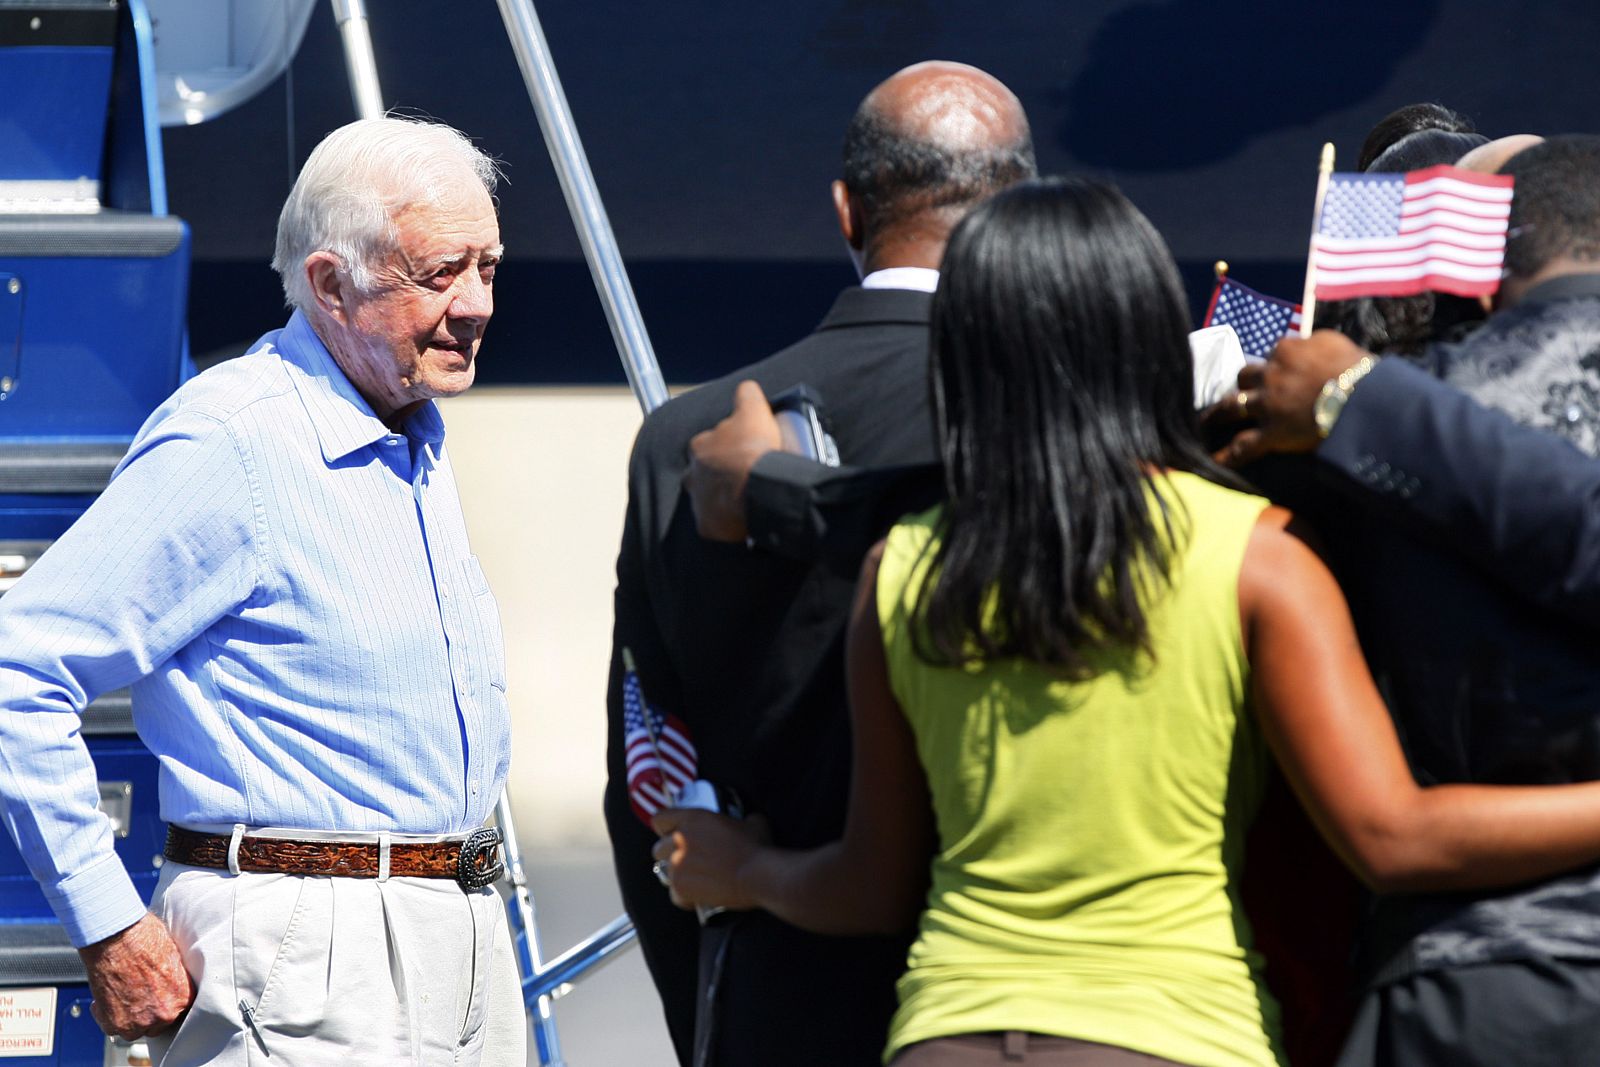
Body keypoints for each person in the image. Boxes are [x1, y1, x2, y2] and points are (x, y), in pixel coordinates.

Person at [652, 176, 1600, 1067]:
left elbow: (871, 885)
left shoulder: (898, 570)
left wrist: (747, 869)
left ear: (963, 361)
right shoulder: (1260, 558)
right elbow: (1390, 834)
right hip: (1182, 1034)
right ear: (1152, 339)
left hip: (949, 1033)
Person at [0, 117, 522, 1066]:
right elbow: (18, 668)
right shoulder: (233, 440)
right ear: (330, 284)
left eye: (488, 265)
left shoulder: (407, 430)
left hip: (454, 939)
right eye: (441, 272)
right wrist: (107, 921)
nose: (477, 302)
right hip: (314, 963)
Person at [605, 61, 1035, 1065]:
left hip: (775, 994)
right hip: (1021, 999)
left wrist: (711, 1010)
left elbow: (646, 783)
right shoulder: (1066, 428)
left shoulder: (684, 439)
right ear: (1026, 215)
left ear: (846, 210)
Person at [1214, 135, 1600, 1065]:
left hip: (1466, 986)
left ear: (1485, 276)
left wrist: (1354, 406)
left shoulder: (1363, 427)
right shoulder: (1362, 422)